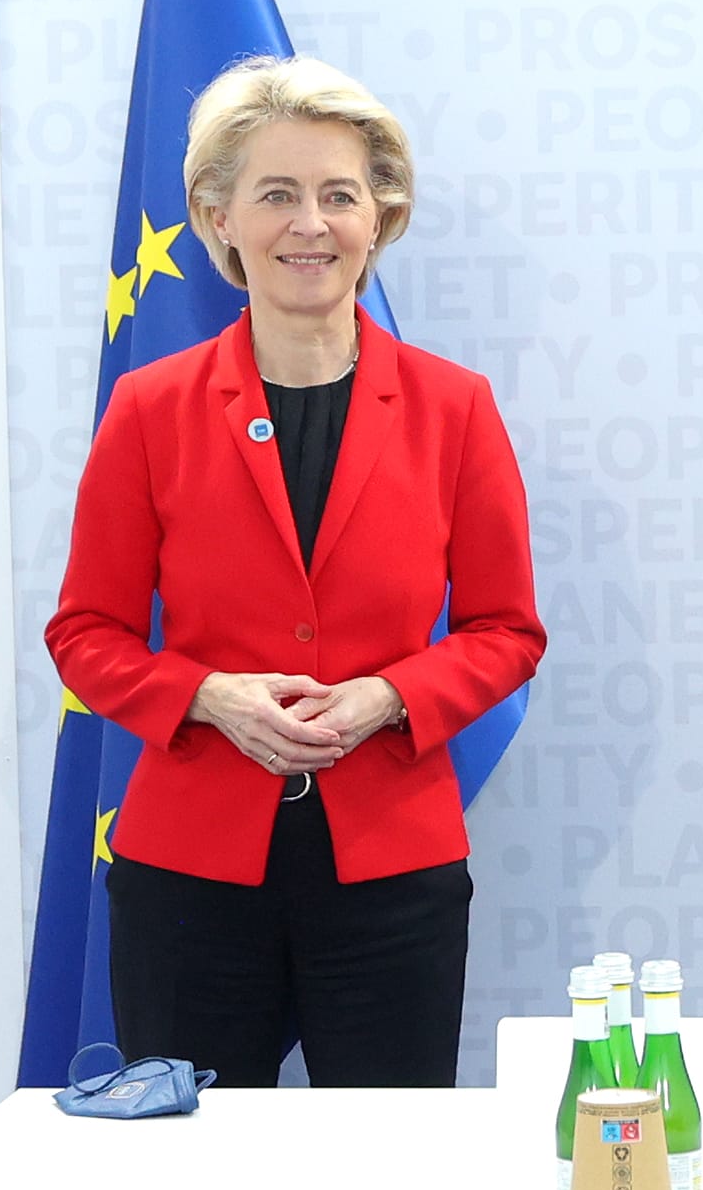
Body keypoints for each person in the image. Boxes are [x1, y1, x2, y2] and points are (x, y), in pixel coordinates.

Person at [47, 55, 546, 1088]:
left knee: (388, 1174)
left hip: (392, 875)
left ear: (381, 218)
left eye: (339, 195)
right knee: (189, 1184)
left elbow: (508, 630)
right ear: (218, 215)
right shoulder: (151, 408)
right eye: (277, 194)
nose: (309, 224)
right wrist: (207, 696)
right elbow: (84, 633)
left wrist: (388, 695)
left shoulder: (455, 407)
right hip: (187, 877)